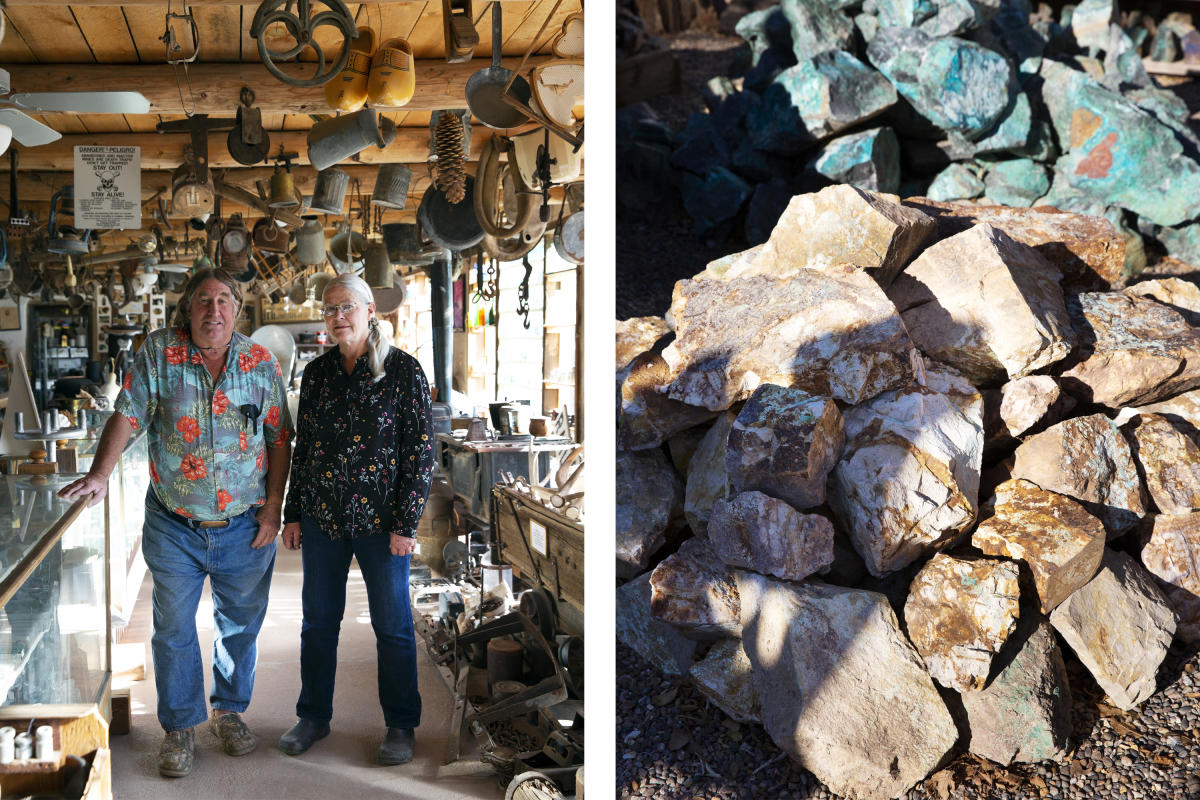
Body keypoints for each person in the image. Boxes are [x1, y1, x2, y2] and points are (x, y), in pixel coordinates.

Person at [59, 269, 292, 778]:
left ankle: (229, 713)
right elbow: (128, 413)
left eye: (224, 300)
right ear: (188, 309)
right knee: (173, 629)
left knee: (240, 626)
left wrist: (274, 506)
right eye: (204, 300)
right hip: (173, 523)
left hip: (245, 524)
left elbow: (279, 439)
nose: (214, 310)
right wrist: (100, 474)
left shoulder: (260, 363)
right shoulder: (159, 353)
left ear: (238, 309)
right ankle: (180, 726)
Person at [277, 273, 435, 765]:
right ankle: (313, 717)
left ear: (371, 311)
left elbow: (421, 454)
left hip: (381, 522)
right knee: (318, 622)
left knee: (392, 627)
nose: (338, 316)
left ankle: (401, 725)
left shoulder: (404, 371)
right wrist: (294, 512)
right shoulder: (318, 373)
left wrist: (406, 525)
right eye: (329, 309)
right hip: (323, 518)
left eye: (347, 306)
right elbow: (303, 450)